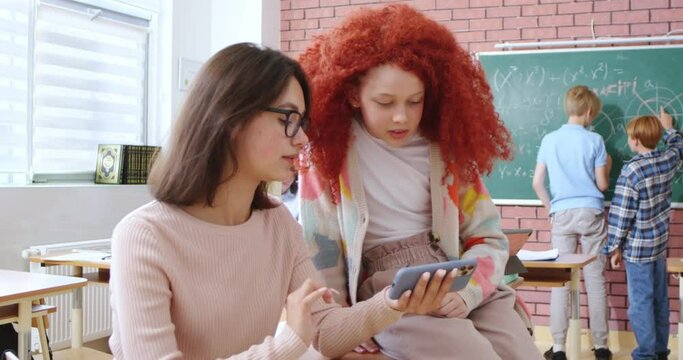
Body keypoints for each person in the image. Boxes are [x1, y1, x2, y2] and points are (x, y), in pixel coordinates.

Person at [108, 42, 458, 360]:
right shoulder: (144, 236)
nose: (303, 137)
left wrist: (393, 302)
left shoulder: (278, 224)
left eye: (303, 121)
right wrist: (287, 343)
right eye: (288, 119)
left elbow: (326, 332)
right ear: (231, 117)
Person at [297, 5, 541, 359]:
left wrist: (468, 291)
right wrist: (343, 320)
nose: (402, 116)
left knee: (522, 353)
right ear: (352, 95)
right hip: (390, 290)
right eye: (384, 102)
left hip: (460, 274)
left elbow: (489, 237)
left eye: (415, 101)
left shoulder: (446, 149)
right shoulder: (328, 155)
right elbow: (321, 250)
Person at [532, 85, 613, 360]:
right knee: (595, 279)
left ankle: (558, 348)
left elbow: (537, 183)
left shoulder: (549, 139)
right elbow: (602, 185)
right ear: (589, 112)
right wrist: (609, 167)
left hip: (562, 214)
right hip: (590, 212)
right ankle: (601, 347)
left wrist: (550, 208)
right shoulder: (595, 140)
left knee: (561, 283)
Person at [604, 107, 681, 360]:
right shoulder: (667, 160)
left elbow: (621, 213)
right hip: (658, 247)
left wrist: (614, 247)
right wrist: (670, 128)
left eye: (629, 136)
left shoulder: (632, 170)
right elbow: (678, 147)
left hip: (637, 250)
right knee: (659, 300)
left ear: (635, 140)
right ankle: (660, 351)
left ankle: (645, 354)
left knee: (640, 304)